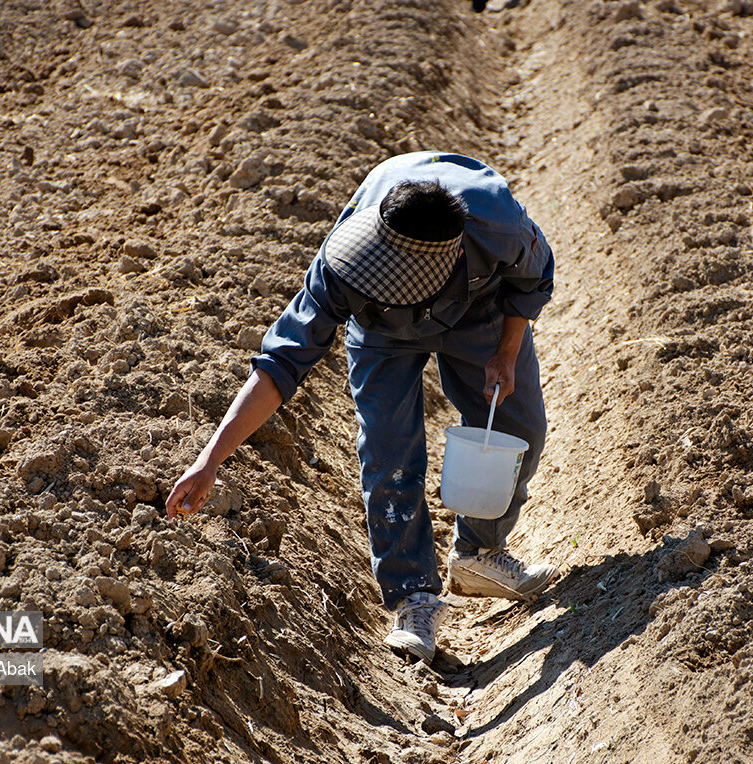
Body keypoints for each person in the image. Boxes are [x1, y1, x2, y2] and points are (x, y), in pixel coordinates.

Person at [165, 151, 557, 664]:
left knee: (518, 428)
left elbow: (533, 279)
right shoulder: (345, 266)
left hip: (478, 310)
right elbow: (281, 363)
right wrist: (209, 460)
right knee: (388, 450)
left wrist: (506, 352)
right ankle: (413, 597)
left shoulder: (498, 225)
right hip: (379, 334)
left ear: (453, 257)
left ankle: (479, 553)